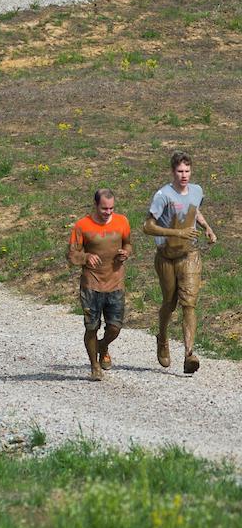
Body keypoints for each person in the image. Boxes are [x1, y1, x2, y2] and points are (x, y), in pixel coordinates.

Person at [143, 151, 217, 375]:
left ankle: (189, 353)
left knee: (189, 302)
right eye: (179, 171)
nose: (184, 175)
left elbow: (194, 210)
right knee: (170, 302)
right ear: (172, 172)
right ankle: (162, 337)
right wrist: (177, 232)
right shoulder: (163, 195)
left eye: (187, 171)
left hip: (190, 253)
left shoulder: (197, 190)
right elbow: (147, 226)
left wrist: (207, 227)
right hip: (166, 254)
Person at [67, 189, 132, 381]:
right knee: (91, 328)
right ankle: (94, 365)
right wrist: (86, 257)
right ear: (96, 205)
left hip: (115, 283)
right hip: (92, 285)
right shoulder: (82, 225)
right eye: (104, 208)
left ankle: (103, 346)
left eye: (111, 208)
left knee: (115, 327)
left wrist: (126, 253)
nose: (108, 212)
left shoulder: (122, 221)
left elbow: (128, 243)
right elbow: (71, 255)